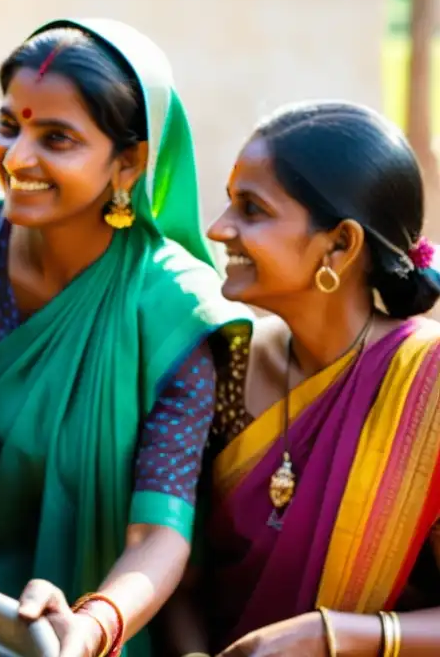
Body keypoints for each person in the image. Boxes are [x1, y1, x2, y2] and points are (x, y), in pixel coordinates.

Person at [0, 19, 252, 657]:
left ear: (128, 163)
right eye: (9, 126)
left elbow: (160, 532)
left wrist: (92, 624)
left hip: (90, 624)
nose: (17, 158)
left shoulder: (171, 310)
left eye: (57, 139)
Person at [180, 101, 440, 656]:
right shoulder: (226, 363)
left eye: (251, 209)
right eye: (230, 203)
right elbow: (182, 572)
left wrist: (334, 637)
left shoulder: (428, 386)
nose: (219, 228)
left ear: (341, 245)